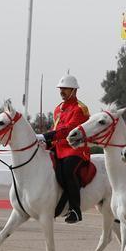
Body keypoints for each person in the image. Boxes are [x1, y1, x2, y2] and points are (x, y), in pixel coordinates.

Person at [41, 74, 90, 223]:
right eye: (60, 88)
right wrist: (46, 143)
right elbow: (55, 128)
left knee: (68, 172)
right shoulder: (58, 109)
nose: (62, 91)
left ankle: (75, 210)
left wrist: (46, 136)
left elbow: (69, 130)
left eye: (65, 89)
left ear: (74, 90)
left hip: (75, 149)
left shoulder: (80, 108)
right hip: (58, 148)